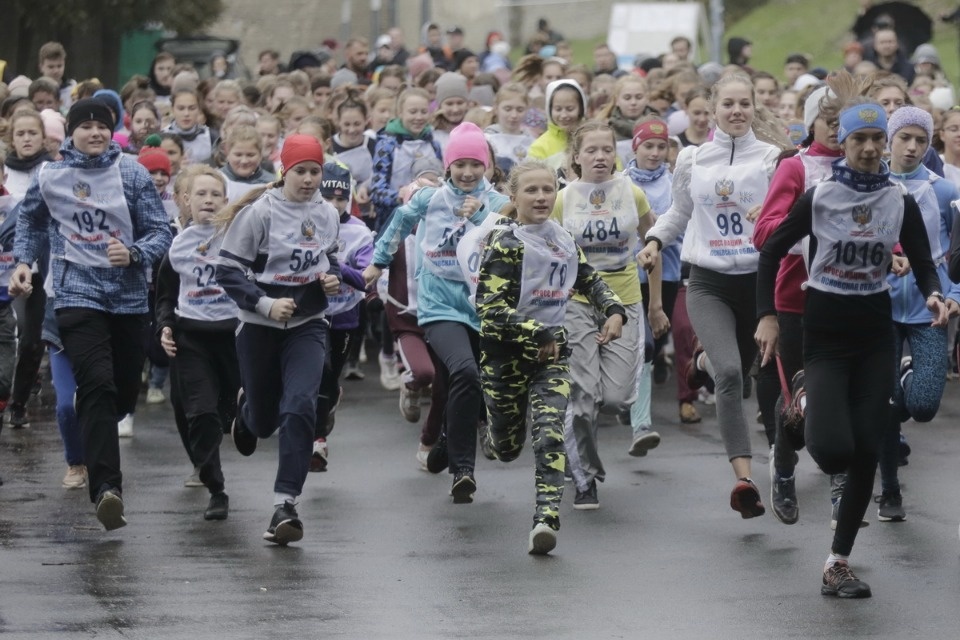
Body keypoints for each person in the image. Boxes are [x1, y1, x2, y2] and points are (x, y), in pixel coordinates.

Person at [755, 94, 947, 598]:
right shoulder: (820, 196)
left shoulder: (898, 200)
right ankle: (799, 402)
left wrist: (933, 293)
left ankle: (837, 562)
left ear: (885, 144)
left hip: (874, 337)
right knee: (832, 448)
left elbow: (925, 261)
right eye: (858, 139)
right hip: (825, 338)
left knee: (867, 445)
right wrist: (768, 316)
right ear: (842, 142)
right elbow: (771, 250)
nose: (867, 148)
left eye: (875, 139)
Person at [10, 98, 173, 530]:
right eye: (86, 126)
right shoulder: (52, 174)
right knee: (97, 385)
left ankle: (99, 413)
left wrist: (134, 253)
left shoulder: (133, 173)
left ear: (111, 130)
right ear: (71, 132)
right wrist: (24, 262)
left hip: (128, 298)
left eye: (102, 126)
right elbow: (29, 221)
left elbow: (162, 231)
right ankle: (106, 490)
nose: (95, 133)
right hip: (76, 293)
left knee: (119, 394)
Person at [639, 74, 781, 519]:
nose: (736, 111)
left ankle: (697, 364)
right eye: (728, 104)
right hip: (707, 282)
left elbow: (789, 213)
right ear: (713, 109)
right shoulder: (692, 160)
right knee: (731, 374)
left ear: (754, 107)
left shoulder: (772, 159)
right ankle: (744, 478)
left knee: (741, 367)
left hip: (757, 284)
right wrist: (655, 241)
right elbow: (679, 212)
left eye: (744, 103)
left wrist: (771, 215)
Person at [476, 159, 624, 554]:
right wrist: (534, 330)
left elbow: (589, 277)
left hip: (551, 354)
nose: (541, 197)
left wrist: (613, 310)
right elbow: (489, 311)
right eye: (531, 191)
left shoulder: (562, 238)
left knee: (550, 433)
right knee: (507, 449)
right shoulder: (503, 243)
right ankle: (490, 433)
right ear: (513, 197)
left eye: (547, 190)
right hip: (505, 357)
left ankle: (545, 519)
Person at [363, 122, 509, 504]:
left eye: (475, 164)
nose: (467, 172)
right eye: (460, 164)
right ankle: (463, 470)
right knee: (464, 371)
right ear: (448, 166)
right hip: (438, 304)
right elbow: (398, 224)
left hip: (481, 306)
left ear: (486, 167)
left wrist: (480, 217)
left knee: (458, 383)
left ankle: (445, 439)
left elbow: (509, 241)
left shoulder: (494, 203)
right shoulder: (430, 199)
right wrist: (378, 262)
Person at [216, 134, 342, 545]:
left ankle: (285, 504)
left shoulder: (327, 214)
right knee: (266, 421)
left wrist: (331, 279)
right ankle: (248, 410)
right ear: (283, 172)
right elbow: (228, 270)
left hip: (308, 324)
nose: (308, 180)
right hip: (258, 325)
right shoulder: (258, 215)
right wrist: (265, 304)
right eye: (300, 171)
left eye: (315, 171)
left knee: (300, 405)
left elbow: (329, 258)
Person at [753, 85, 845, 525]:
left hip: (849, 300)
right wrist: (806, 227)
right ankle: (784, 467)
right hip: (795, 298)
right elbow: (763, 232)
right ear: (812, 123)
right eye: (831, 123)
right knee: (801, 401)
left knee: (842, 394)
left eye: (847, 124)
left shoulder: (861, 165)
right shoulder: (795, 167)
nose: (841, 133)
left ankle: (841, 490)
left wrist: (898, 250)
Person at [554, 121, 656, 509]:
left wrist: (655, 290)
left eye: (606, 150)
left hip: (626, 299)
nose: (600, 157)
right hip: (578, 302)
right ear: (576, 157)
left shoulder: (632, 193)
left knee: (614, 398)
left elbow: (653, 238)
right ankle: (584, 477)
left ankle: (574, 444)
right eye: (591, 150)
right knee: (582, 395)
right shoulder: (564, 199)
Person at [877, 106, 960, 522]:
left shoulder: (943, 191)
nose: (912, 147)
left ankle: (909, 378)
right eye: (904, 138)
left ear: (930, 145)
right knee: (886, 405)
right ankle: (889, 489)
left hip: (931, 309)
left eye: (921, 140)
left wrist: (955, 294)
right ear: (889, 140)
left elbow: (957, 254)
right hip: (878, 310)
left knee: (922, 405)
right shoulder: (871, 185)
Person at [156, 166, 239, 521]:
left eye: (215, 194)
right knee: (201, 414)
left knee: (229, 416)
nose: (208, 200)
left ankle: (241, 422)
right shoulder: (178, 244)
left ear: (226, 201)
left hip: (234, 337)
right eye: (201, 194)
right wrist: (164, 327)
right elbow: (164, 296)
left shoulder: (239, 238)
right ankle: (216, 489)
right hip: (192, 338)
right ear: (187, 202)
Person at [311, 163, 373, 472]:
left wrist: (335, 266)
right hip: (312, 314)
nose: (334, 205)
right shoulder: (306, 223)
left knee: (329, 378)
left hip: (346, 315)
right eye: (328, 198)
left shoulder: (359, 232)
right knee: (318, 371)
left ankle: (330, 399)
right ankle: (317, 441)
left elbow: (365, 278)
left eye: (341, 198)